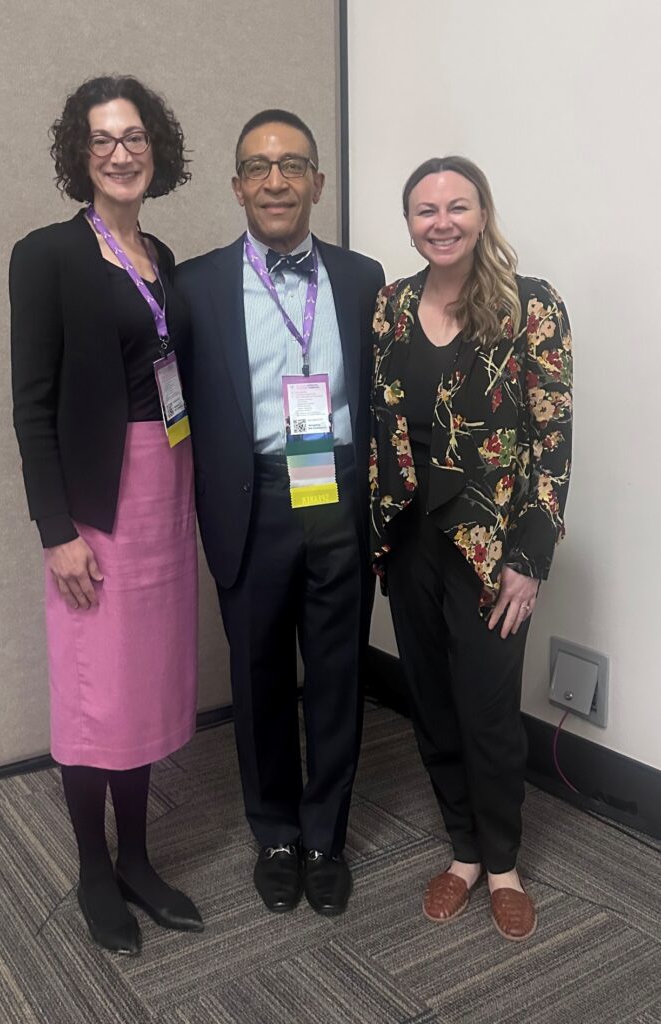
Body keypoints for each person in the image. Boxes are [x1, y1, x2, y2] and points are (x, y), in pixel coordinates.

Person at [10, 76, 203, 954]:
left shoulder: (160, 253)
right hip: (96, 502)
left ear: (155, 147)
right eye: (102, 140)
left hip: (166, 487)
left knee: (144, 684)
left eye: (134, 137)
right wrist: (56, 532)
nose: (121, 154)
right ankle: (95, 868)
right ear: (78, 154)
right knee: (96, 692)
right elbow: (32, 405)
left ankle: (138, 860)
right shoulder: (47, 255)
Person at [175, 110, 385, 916]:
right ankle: (275, 833)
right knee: (258, 675)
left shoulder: (363, 278)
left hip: (336, 490)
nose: (275, 181)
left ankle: (325, 835)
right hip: (251, 499)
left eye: (292, 165)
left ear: (317, 183)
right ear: (237, 186)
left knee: (336, 673)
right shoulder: (195, 285)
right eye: (259, 167)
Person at [370, 156, 572, 941]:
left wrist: (531, 557)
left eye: (458, 206)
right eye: (426, 210)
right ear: (410, 223)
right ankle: (462, 849)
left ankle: (503, 865)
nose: (442, 222)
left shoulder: (529, 306)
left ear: (483, 214)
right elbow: (382, 424)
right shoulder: (391, 305)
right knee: (431, 700)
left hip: (491, 548)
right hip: (409, 535)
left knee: (487, 708)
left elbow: (552, 439)